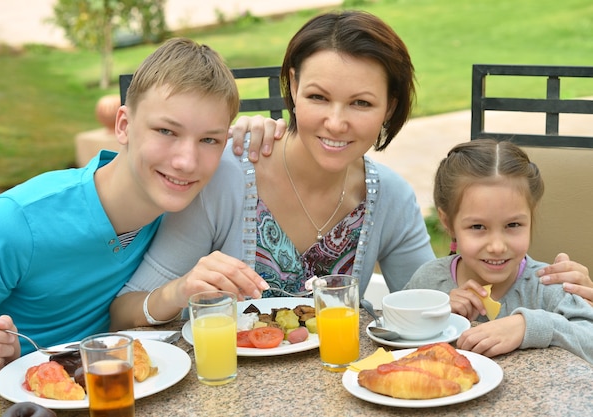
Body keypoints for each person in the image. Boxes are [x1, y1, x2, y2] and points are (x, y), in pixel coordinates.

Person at [110, 10, 438, 329]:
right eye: (318, 97)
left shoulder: (389, 197)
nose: (336, 123)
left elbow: (432, 307)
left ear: (390, 106)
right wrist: (179, 291)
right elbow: (123, 312)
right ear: (294, 87)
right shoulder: (225, 176)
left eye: (361, 103)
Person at [0, 37, 281, 367]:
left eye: (208, 139)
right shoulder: (14, 222)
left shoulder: (188, 209)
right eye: (166, 131)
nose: (187, 161)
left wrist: (257, 134)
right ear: (123, 125)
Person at [404, 139, 593, 363]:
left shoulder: (547, 286)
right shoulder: (429, 282)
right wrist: (433, 316)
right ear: (448, 222)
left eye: (513, 225)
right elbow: (390, 333)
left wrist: (528, 325)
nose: (497, 246)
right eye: (477, 227)